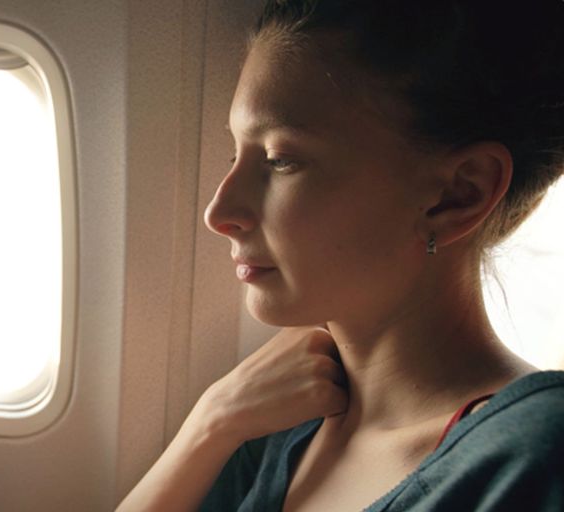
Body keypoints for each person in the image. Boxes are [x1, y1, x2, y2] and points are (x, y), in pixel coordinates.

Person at [119, 1, 564, 510]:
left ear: (458, 193)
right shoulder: (269, 418)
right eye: (234, 153)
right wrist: (210, 423)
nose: (219, 213)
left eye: (280, 160)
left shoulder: (534, 455)